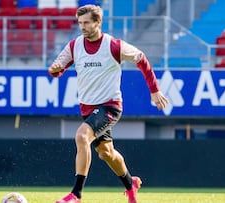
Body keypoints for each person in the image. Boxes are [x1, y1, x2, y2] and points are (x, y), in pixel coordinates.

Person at [48, 4, 169, 203]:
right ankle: (131, 185)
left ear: (98, 22)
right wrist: (55, 69)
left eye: (87, 22)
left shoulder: (114, 45)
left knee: (81, 136)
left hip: (110, 106)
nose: (83, 27)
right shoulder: (74, 45)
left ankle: (76, 195)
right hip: (88, 108)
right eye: (80, 23)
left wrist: (155, 91)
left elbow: (141, 59)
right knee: (106, 153)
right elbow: (58, 68)